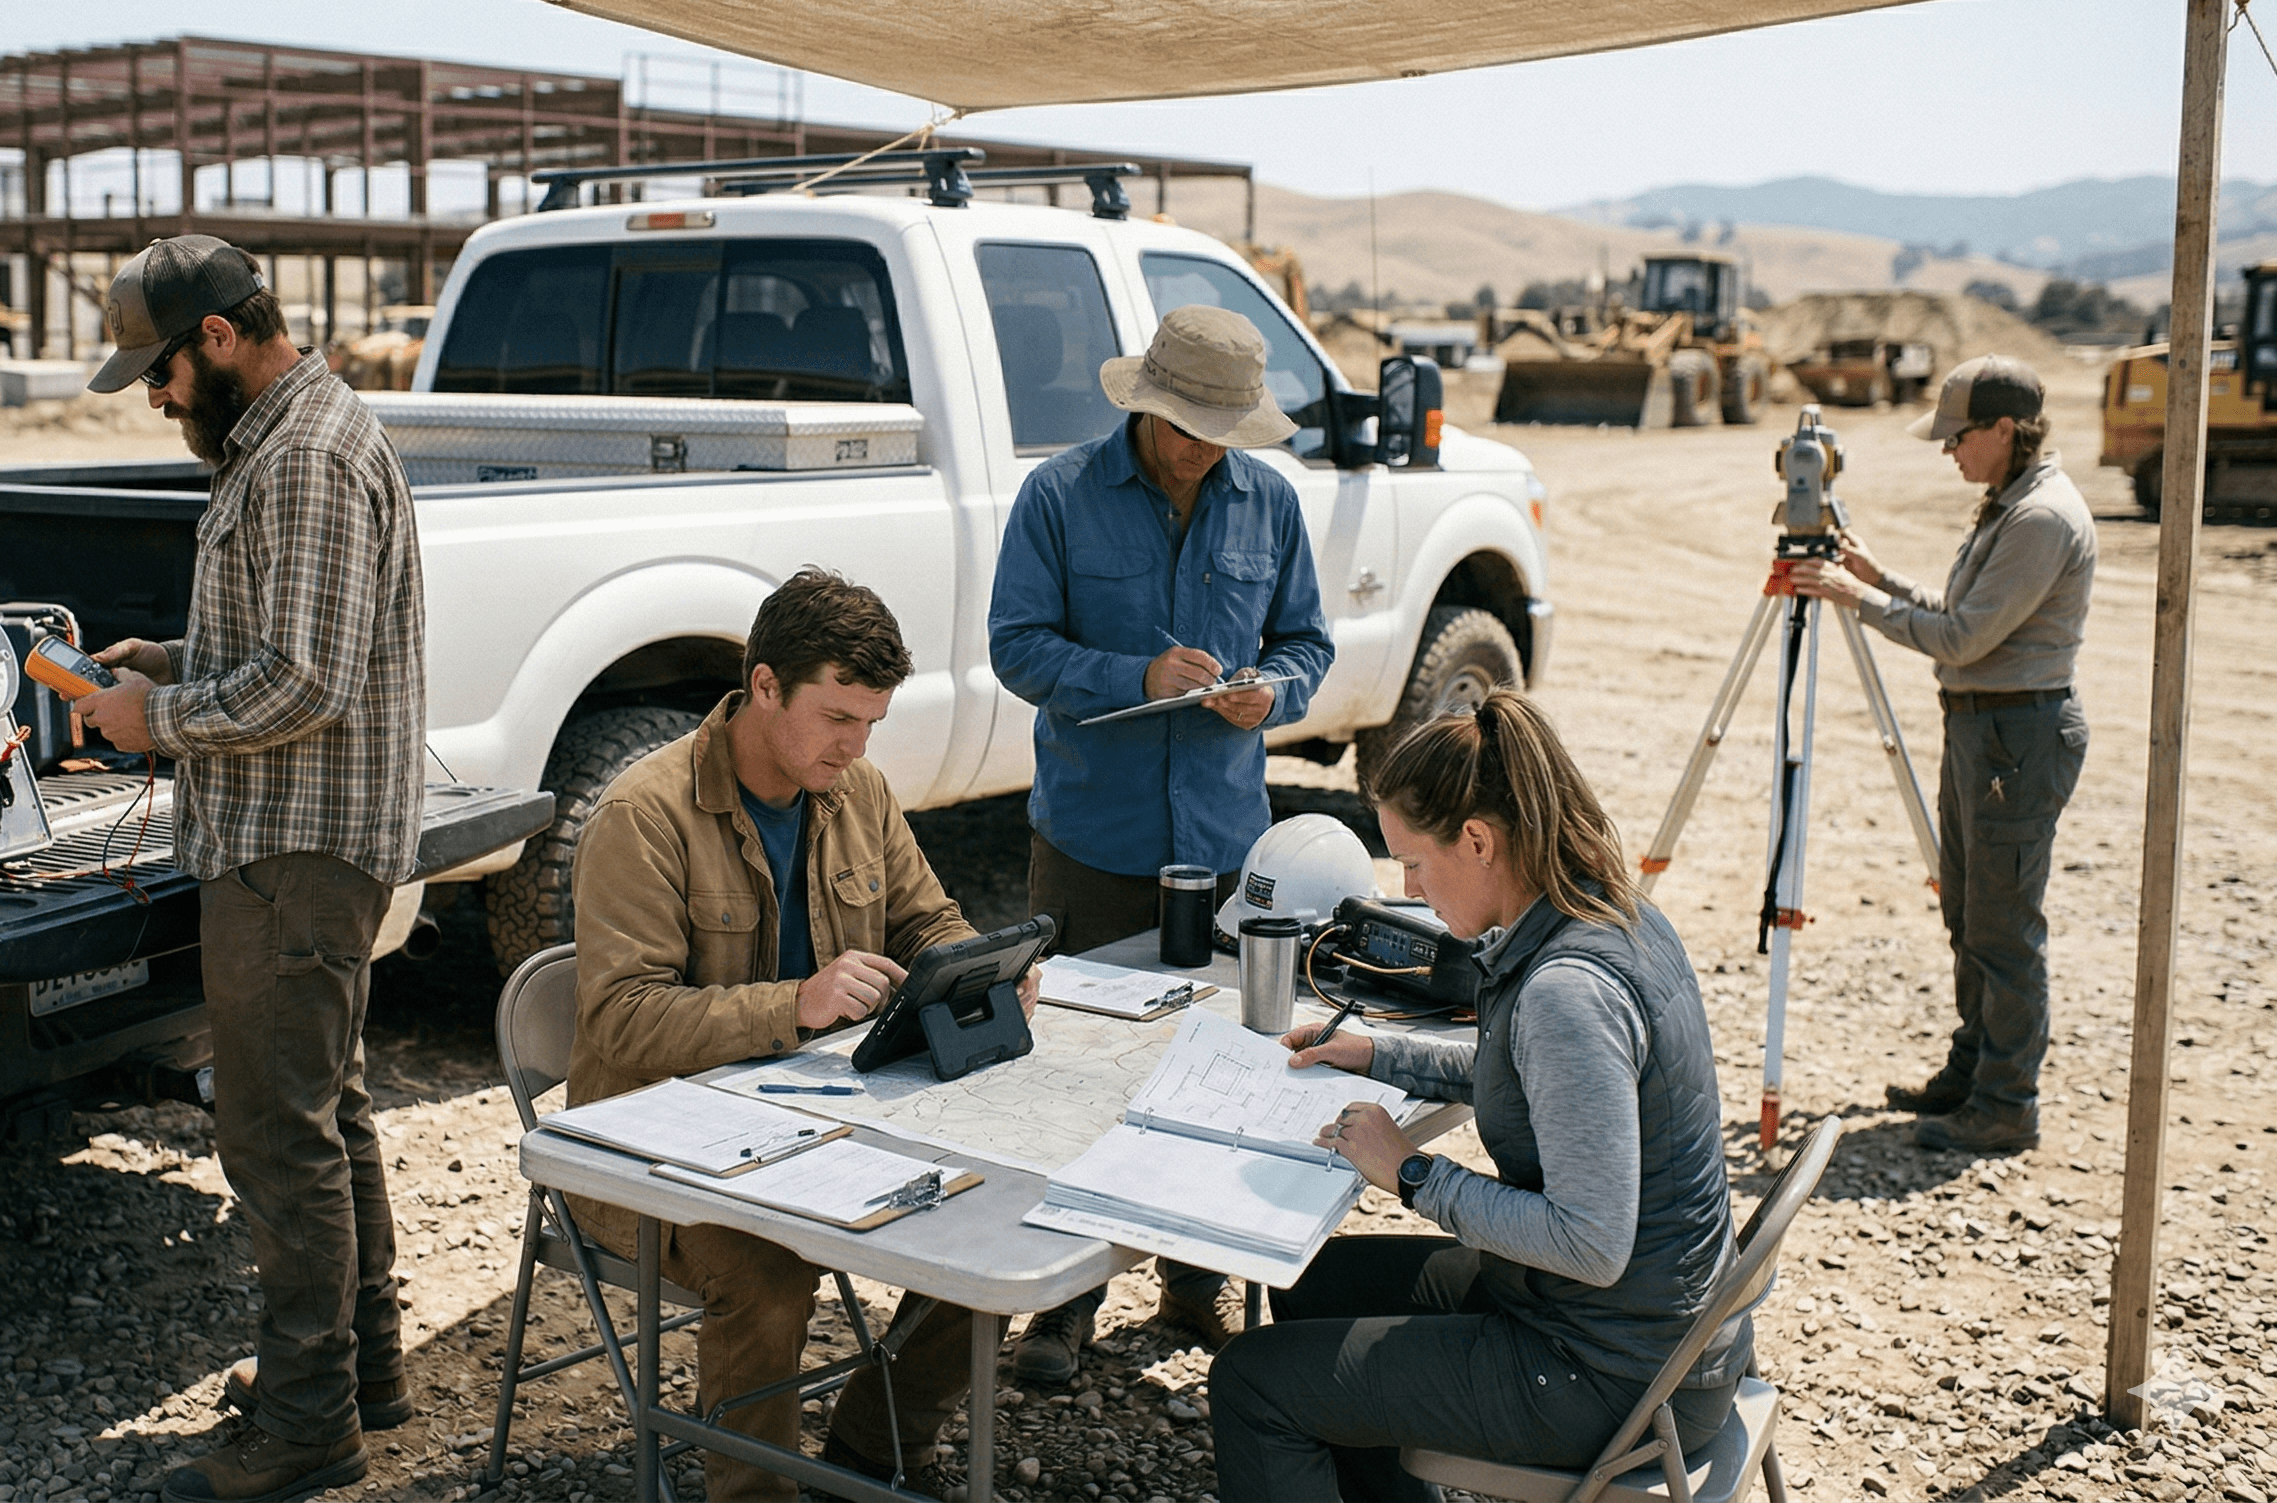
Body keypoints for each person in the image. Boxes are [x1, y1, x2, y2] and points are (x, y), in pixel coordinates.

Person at [69, 234, 426, 1503]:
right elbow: (277, 641)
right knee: (328, 1115)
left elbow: (304, 683)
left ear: (216, 339)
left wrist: (145, 724)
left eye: (157, 374)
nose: (156, 400)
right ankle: (357, 1375)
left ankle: (304, 1429)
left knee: (280, 1141)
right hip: (303, 847)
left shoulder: (308, 461)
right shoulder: (288, 441)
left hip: (293, 853)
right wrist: (167, 661)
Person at [568, 569, 1040, 1502]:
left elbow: (926, 918)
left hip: (822, 1115)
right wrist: (793, 1004)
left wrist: (980, 967)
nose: (856, 745)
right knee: (771, 1276)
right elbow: (620, 1020)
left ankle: (873, 1445)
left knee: (1001, 1217)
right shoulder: (643, 814)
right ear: (764, 686)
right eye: (837, 717)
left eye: (871, 722)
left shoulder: (854, 788)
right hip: (652, 1145)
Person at [1210, 692, 1750, 1502]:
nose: (1408, 888)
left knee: (1253, 1383)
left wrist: (1414, 1175)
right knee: (1307, 1279)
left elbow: (1592, 1243)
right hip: (1652, 1330)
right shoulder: (1611, 911)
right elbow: (1538, 1082)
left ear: (1478, 840)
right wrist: (1378, 1052)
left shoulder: (1568, 993)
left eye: (1415, 864)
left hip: (1612, 1374)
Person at [987, 301, 1335, 1377]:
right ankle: (1066, 1304)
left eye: (1218, 431)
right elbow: (1014, 648)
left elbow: (1305, 642)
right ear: (1143, 407)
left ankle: (1194, 1279)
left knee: (1221, 1064)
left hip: (1230, 842)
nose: (1199, 449)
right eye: (1183, 425)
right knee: (1078, 1071)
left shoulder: (1267, 502)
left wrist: (1269, 694)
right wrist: (1129, 676)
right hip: (1092, 839)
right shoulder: (1055, 496)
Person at [1786, 355, 2094, 1154]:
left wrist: (1861, 600)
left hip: (2016, 734)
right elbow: (1959, 610)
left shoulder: (2040, 518)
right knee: (1969, 911)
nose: (1949, 452)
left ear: (2003, 430)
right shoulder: (2010, 505)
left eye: (1959, 437)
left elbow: (1961, 638)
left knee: (2002, 925)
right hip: (1986, 730)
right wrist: (1876, 575)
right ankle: (1974, 1071)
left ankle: (2006, 1103)